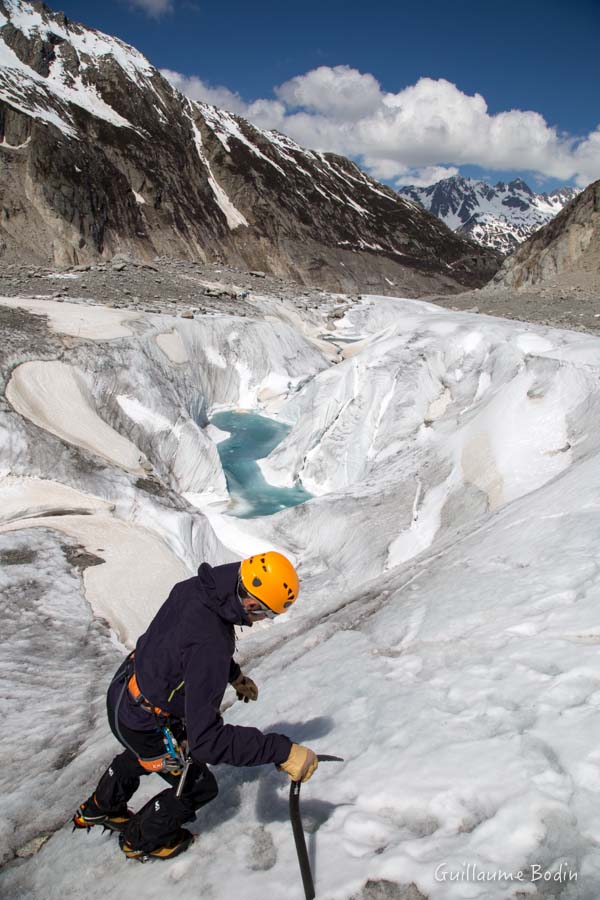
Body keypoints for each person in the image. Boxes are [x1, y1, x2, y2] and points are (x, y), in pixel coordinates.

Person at [73, 551, 318, 861]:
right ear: (252, 604)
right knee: (198, 785)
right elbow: (208, 743)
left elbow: (184, 644)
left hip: (127, 691)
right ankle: (140, 840)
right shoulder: (211, 642)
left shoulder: (199, 588)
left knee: (146, 754)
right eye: (266, 615)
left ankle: (100, 807)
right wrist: (282, 751)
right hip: (146, 718)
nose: (261, 621)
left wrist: (232, 674)